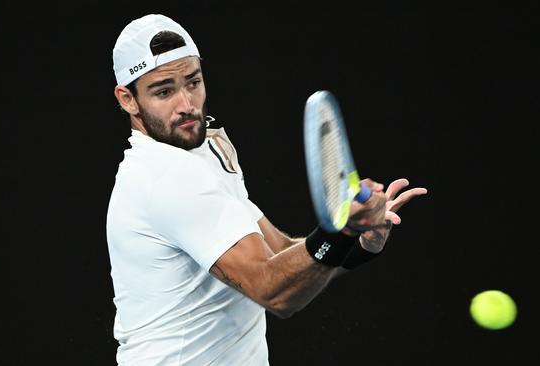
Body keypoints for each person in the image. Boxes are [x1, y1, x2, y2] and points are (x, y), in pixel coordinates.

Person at [106, 13, 427, 365]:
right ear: (127, 99)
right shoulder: (166, 178)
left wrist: (357, 241)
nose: (186, 105)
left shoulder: (204, 151)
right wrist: (342, 230)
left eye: (193, 82)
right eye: (164, 91)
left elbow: (282, 254)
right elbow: (273, 290)